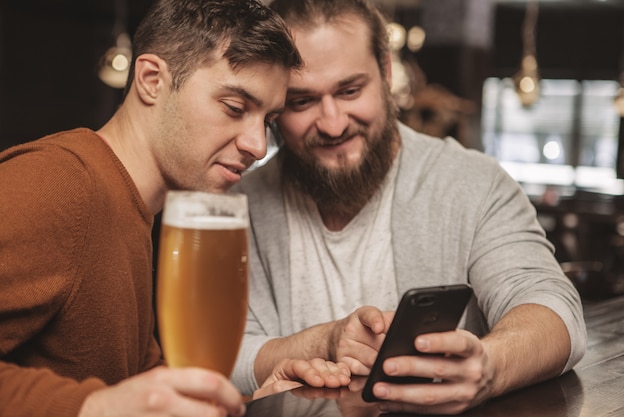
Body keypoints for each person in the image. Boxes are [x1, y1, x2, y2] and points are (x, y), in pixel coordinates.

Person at [231, 0, 587, 414]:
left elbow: (554, 310)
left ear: (384, 72)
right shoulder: (240, 206)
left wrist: (488, 366)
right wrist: (322, 343)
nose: (332, 123)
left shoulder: (474, 183)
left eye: (350, 91)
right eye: (302, 101)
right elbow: (220, 355)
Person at [0, 1, 351, 416]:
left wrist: (245, 402)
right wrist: (94, 408)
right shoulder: (59, 184)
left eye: (268, 121)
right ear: (151, 80)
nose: (257, 146)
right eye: (235, 108)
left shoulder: (136, 209)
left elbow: (138, 392)